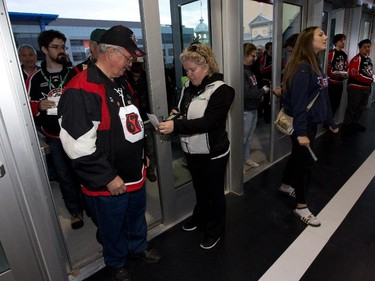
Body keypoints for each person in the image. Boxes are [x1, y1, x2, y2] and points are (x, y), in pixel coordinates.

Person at [58, 25, 161, 281]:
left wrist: (142, 154)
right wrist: (107, 177)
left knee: (136, 215)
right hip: (109, 180)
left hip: (134, 171)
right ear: (109, 52)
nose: (130, 63)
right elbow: (77, 146)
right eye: (127, 57)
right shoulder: (81, 89)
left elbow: (131, 122)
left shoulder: (121, 81)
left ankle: (138, 247)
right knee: (112, 226)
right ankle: (116, 262)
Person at [158, 44, 235, 250]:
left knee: (214, 193)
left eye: (193, 70)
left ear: (207, 66)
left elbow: (208, 122)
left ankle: (215, 230)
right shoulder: (187, 88)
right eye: (186, 70)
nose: (189, 74)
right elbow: (183, 109)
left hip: (214, 152)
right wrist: (175, 114)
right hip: (192, 149)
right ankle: (200, 218)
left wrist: (176, 125)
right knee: (200, 189)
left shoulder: (223, 91)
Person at [280, 26, 339, 227]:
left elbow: (322, 96)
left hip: (310, 123)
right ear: (308, 41)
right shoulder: (303, 67)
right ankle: (301, 207)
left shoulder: (315, 65)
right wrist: (302, 132)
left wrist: (330, 121)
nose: (325, 36)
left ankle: (286, 185)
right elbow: (298, 104)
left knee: (297, 157)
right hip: (303, 125)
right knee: (303, 165)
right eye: (320, 34)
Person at [27, 30, 84, 230]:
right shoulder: (35, 78)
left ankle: (92, 207)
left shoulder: (75, 73)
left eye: (62, 47)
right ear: (44, 49)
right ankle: (75, 210)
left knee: (84, 171)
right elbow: (27, 106)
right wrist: (38, 106)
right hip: (53, 136)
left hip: (78, 133)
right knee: (63, 175)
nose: (61, 50)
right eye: (55, 47)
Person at [125, 61, 157, 182]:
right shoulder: (125, 78)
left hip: (147, 119)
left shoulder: (148, 78)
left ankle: (151, 171)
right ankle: (139, 172)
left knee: (151, 148)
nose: (136, 75)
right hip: (132, 120)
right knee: (135, 149)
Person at [243, 43, 269, 172]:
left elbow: (252, 90)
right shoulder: (242, 71)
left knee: (249, 137)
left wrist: (259, 95)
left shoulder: (249, 70)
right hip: (246, 110)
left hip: (252, 108)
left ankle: (246, 158)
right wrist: (262, 92)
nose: (254, 58)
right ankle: (237, 164)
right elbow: (246, 93)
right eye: (252, 55)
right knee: (243, 138)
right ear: (245, 55)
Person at [342, 39, 373, 133]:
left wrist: (371, 79)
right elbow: (353, 73)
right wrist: (369, 80)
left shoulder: (368, 60)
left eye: (369, 47)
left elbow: (369, 73)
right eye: (365, 47)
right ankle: (346, 125)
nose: (367, 49)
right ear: (360, 48)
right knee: (352, 108)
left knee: (361, 108)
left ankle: (355, 124)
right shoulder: (357, 59)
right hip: (356, 88)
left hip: (366, 88)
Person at [326, 33, 348, 119]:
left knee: (337, 103)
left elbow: (346, 66)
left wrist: (345, 74)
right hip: (332, 83)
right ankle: (327, 123)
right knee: (330, 103)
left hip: (340, 83)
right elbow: (329, 69)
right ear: (336, 42)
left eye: (344, 40)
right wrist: (337, 76)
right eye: (341, 40)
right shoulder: (332, 53)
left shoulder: (344, 53)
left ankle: (331, 122)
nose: (343, 42)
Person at [259, 42, 272, 123]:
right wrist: (273, 65)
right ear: (267, 49)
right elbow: (262, 70)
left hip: (274, 82)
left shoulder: (276, 56)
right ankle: (267, 118)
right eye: (271, 48)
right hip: (266, 82)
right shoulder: (264, 57)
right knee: (266, 101)